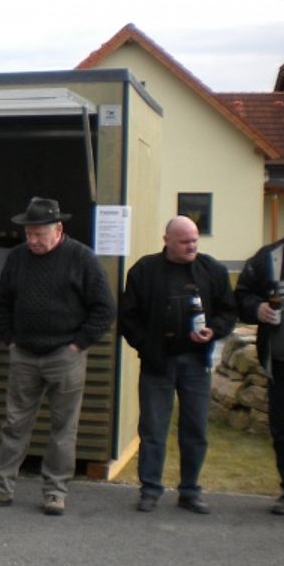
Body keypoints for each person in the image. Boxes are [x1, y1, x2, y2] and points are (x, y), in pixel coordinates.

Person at [0, 198, 115, 516]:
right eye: (29, 234)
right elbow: (2, 302)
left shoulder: (81, 258)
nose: (32, 240)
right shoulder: (18, 258)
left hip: (65, 355)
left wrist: (79, 344)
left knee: (63, 428)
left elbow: (104, 307)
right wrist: (9, 339)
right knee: (14, 424)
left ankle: (55, 491)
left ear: (58, 229)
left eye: (39, 234)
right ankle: (0, 487)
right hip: (24, 353)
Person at [120, 216, 236, 514]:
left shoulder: (212, 270)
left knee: (195, 429)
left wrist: (214, 330)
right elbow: (128, 317)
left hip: (196, 364)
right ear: (167, 240)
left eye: (195, 240)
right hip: (157, 364)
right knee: (153, 429)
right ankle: (150, 490)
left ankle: (190, 490)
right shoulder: (145, 271)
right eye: (185, 241)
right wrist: (147, 346)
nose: (192, 246)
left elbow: (228, 311)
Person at [235, 220, 284, 515]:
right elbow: (241, 295)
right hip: (281, 365)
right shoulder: (268, 258)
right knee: (283, 429)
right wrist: (257, 308)